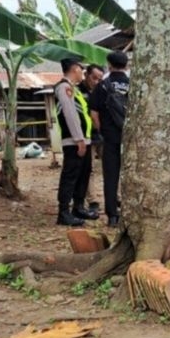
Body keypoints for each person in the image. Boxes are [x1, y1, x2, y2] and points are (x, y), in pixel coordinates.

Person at [54, 57, 97, 226]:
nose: (83, 73)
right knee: (70, 175)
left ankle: (78, 207)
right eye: (81, 69)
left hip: (83, 140)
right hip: (74, 141)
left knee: (83, 174)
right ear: (75, 69)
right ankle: (63, 211)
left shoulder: (74, 89)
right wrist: (78, 139)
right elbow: (70, 115)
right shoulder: (64, 88)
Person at [89, 51, 129, 227]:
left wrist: (102, 130)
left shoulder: (102, 86)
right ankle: (129, 211)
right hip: (130, 139)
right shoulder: (132, 84)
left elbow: (94, 114)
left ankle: (112, 215)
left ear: (109, 65)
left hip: (110, 138)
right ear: (126, 65)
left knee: (111, 177)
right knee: (131, 176)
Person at [79, 64, 104, 213]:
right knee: (90, 169)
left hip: (103, 133)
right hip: (86, 134)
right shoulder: (78, 91)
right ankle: (92, 200)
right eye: (94, 78)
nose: (96, 82)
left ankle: (117, 197)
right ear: (86, 75)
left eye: (99, 79)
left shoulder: (103, 90)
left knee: (112, 167)